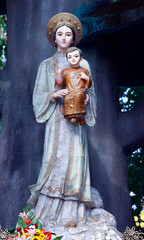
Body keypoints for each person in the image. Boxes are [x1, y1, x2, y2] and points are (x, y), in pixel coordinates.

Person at [28, 12, 97, 228]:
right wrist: (52, 94)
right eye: (60, 34)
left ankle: (73, 215)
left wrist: (87, 99)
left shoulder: (82, 63)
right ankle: (48, 216)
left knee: (75, 160)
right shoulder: (46, 66)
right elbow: (38, 95)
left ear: (73, 39)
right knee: (55, 158)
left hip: (76, 122)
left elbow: (91, 93)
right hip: (56, 122)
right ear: (54, 38)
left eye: (69, 34)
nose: (65, 38)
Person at [55, 47, 92, 125]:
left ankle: (80, 116)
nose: (73, 59)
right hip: (70, 90)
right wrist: (58, 73)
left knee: (78, 95)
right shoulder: (65, 71)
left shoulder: (84, 71)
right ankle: (73, 116)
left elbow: (89, 84)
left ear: (81, 58)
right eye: (70, 57)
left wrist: (86, 78)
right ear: (67, 59)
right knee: (68, 97)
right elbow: (59, 83)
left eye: (76, 56)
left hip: (80, 90)